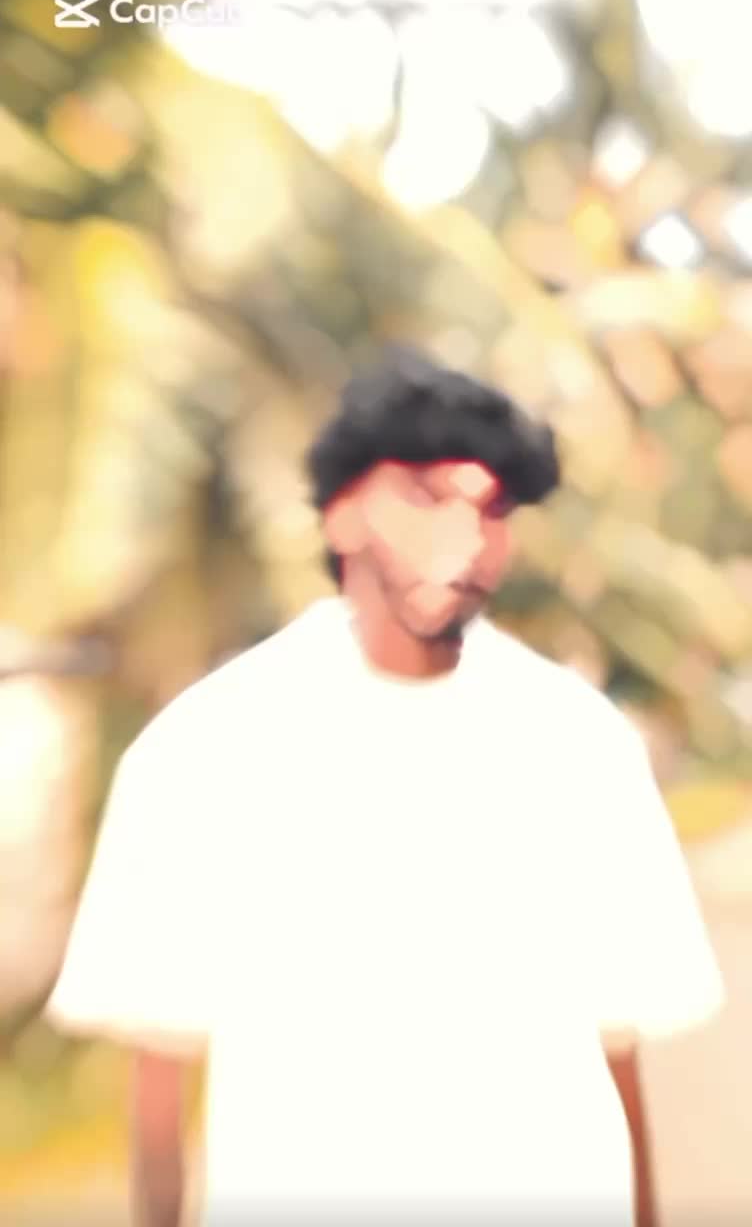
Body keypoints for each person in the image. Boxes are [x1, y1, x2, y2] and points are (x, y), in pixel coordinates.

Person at [45, 348, 724, 1227]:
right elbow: (159, 1070)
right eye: (425, 496)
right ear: (341, 515)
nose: (464, 540)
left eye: (491, 509)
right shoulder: (208, 746)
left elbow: (618, 1047)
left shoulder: (579, 743)